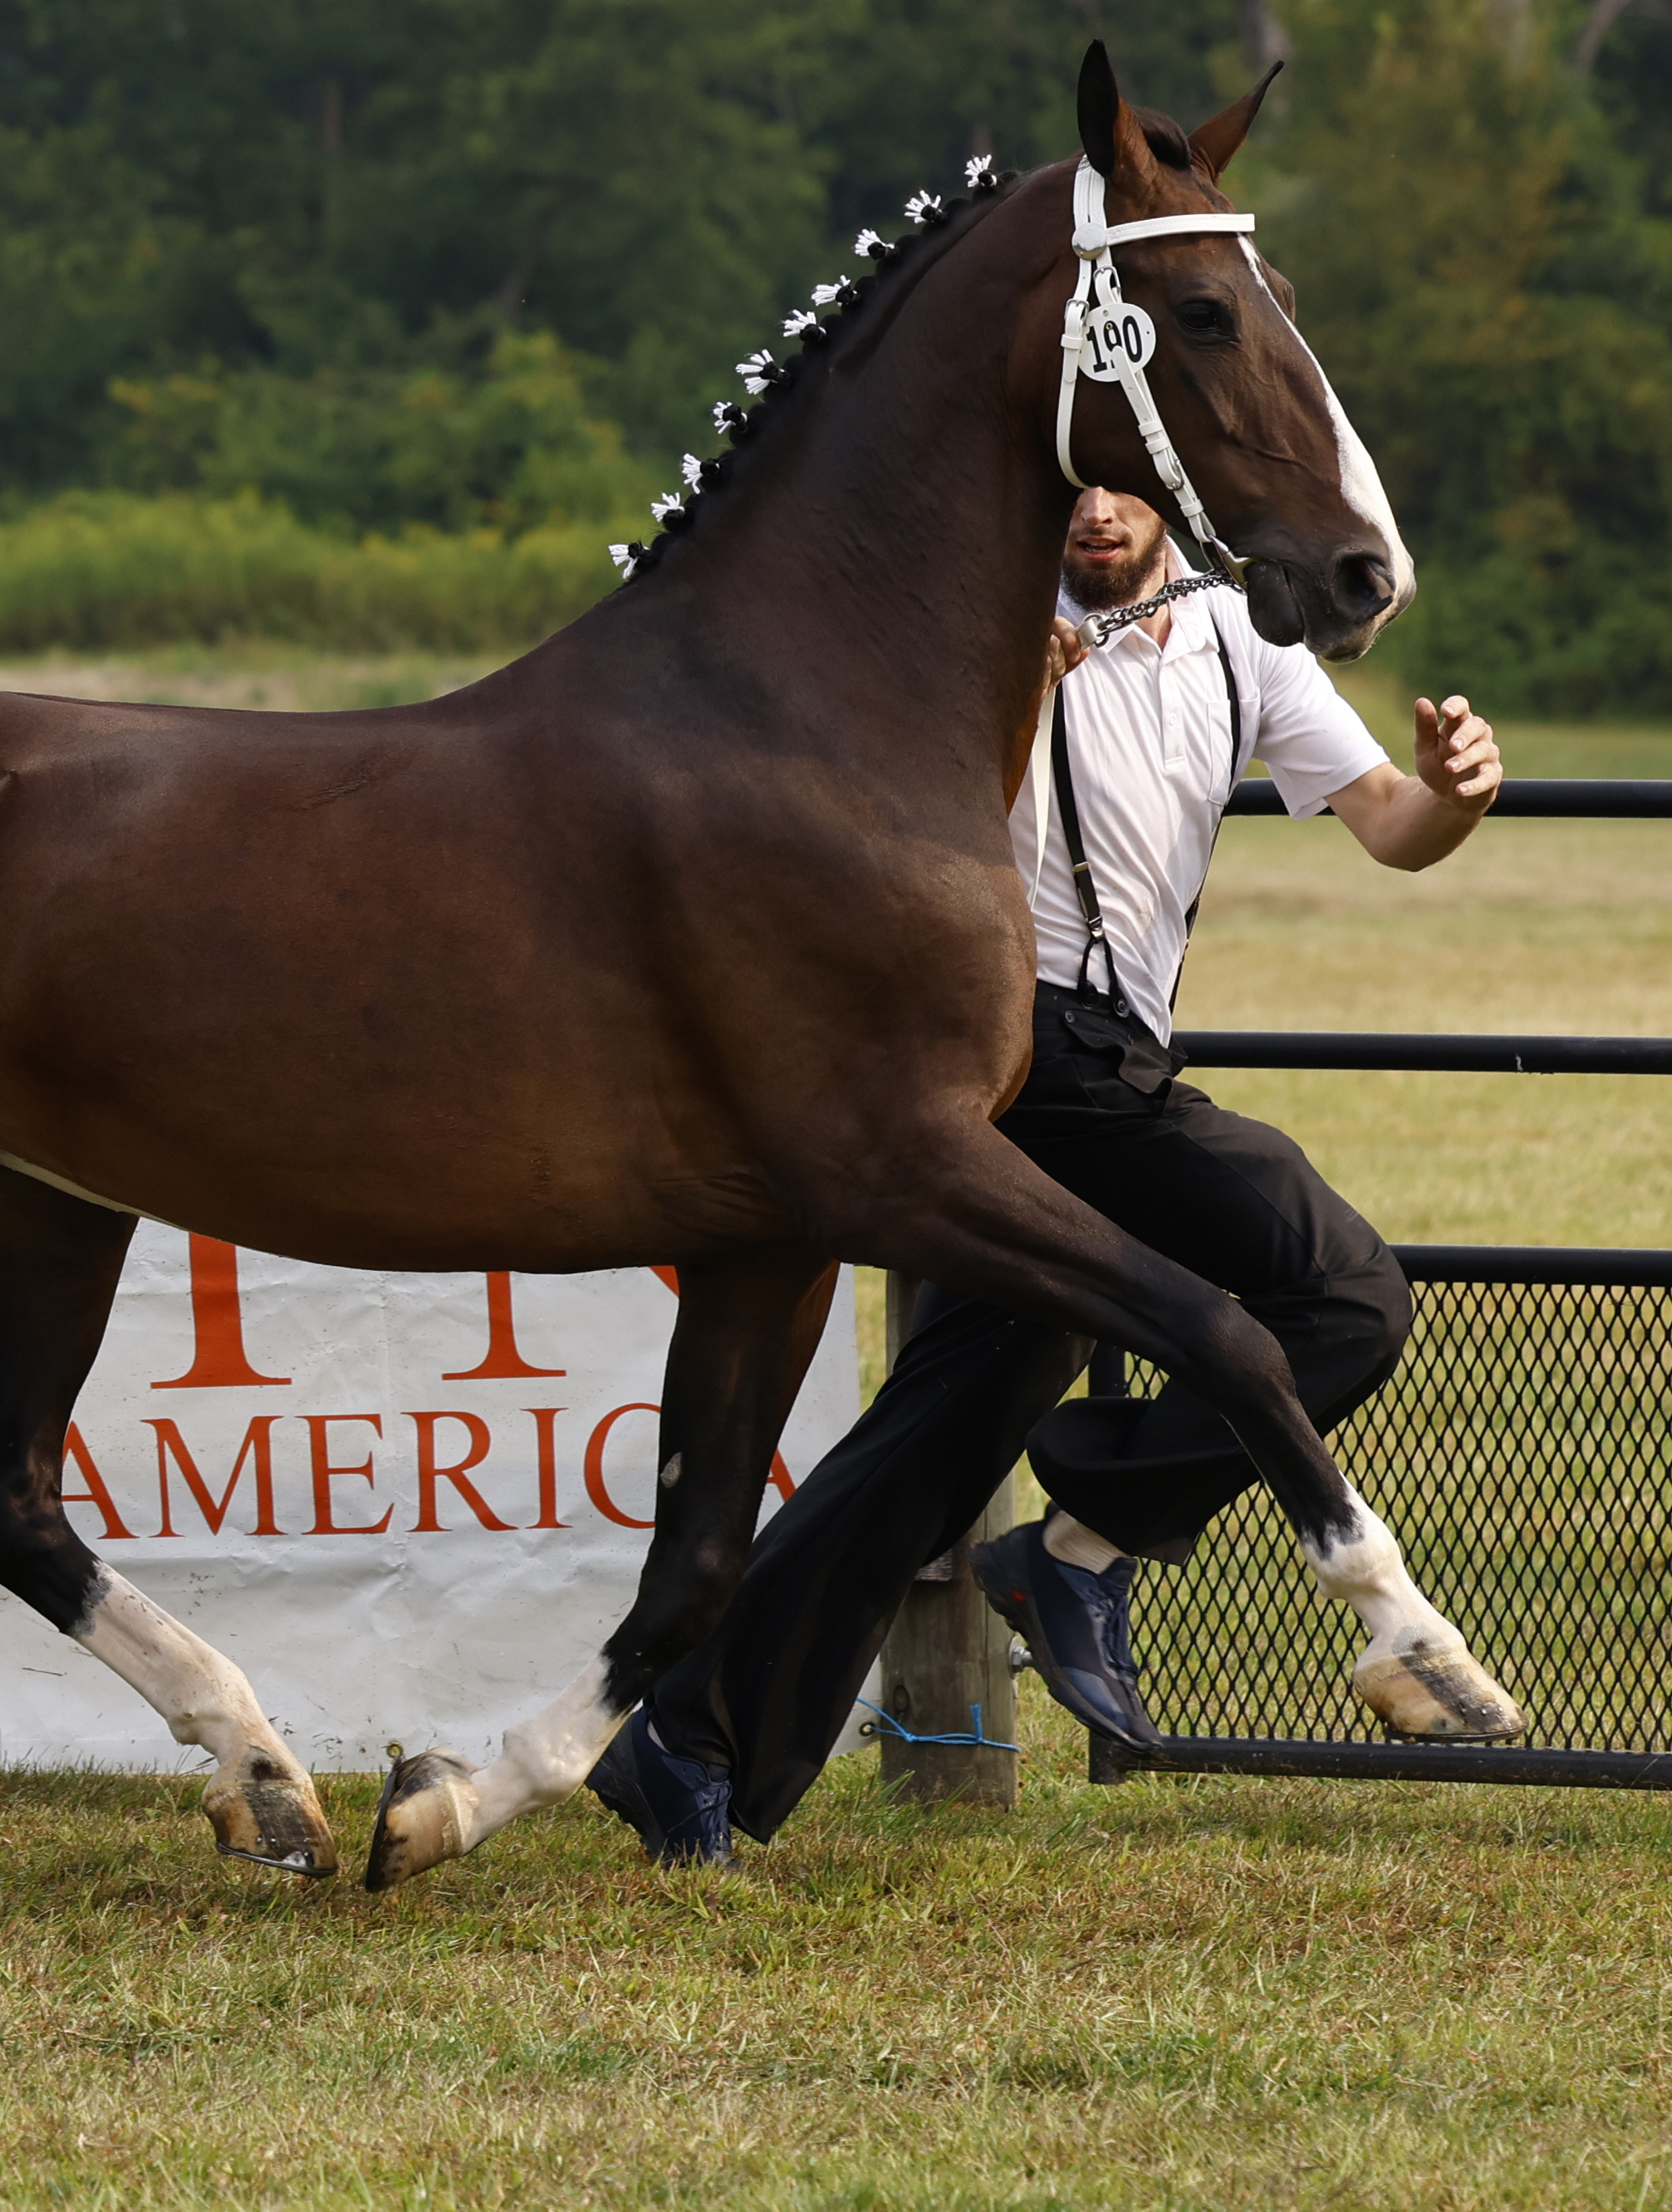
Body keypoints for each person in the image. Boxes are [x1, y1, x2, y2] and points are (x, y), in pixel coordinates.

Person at [589, 484, 1507, 1861]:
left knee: (945, 1427)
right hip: (1016, 1053)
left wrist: (1451, 796)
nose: (1095, 508)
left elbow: (1386, 817)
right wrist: (1007, 681)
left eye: (1123, 482)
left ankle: (686, 1741)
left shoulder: (1232, 632)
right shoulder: (967, 622)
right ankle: (1076, 1553)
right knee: (1344, 1288)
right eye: (1071, 480)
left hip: (1103, 1057)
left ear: (1172, 485)